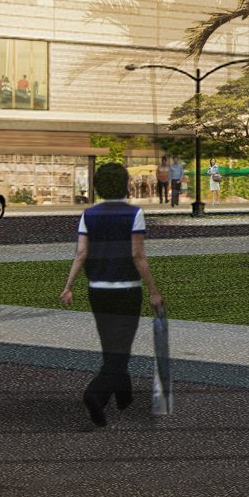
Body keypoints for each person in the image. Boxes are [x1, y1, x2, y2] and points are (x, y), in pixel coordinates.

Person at [61, 161, 164, 429]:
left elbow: (81, 253)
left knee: (111, 348)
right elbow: (138, 255)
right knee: (120, 352)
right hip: (127, 289)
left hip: (97, 290)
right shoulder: (134, 213)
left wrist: (69, 285)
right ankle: (95, 395)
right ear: (125, 184)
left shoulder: (88, 214)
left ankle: (124, 394)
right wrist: (154, 290)